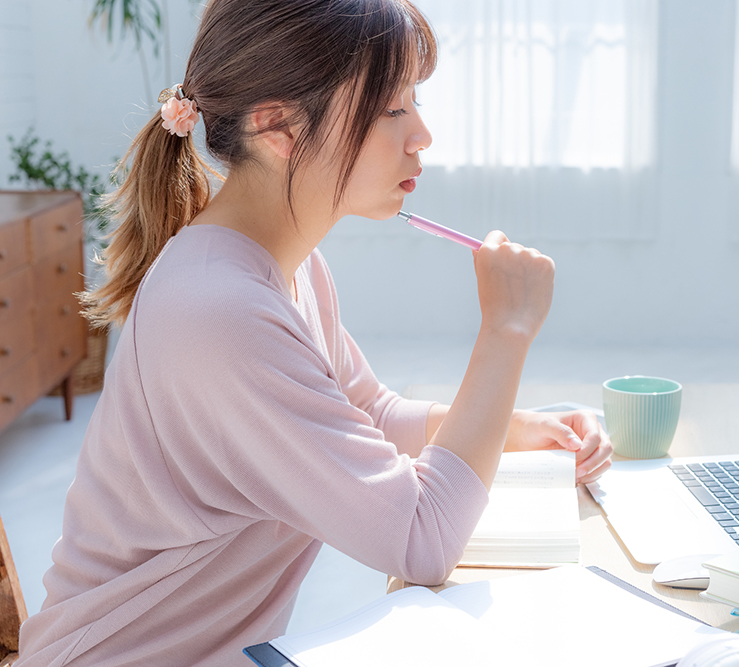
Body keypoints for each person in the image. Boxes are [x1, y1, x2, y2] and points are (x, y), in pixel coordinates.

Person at [16, 1, 612, 665]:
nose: (422, 135)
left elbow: (374, 414)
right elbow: (421, 538)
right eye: (392, 109)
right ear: (279, 128)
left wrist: (512, 427)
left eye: (416, 101)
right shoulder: (220, 312)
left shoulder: (284, 270)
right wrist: (507, 328)